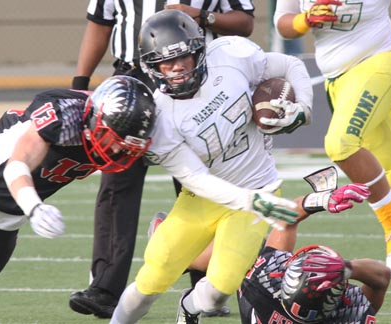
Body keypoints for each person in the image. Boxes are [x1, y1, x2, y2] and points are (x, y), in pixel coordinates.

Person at [108, 9, 315, 324]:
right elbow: (199, 179)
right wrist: (252, 200)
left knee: (221, 289)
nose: (176, 68)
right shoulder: (161, 119)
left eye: (183, 58)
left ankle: (190, 305)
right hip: (204, 198)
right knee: (149, 282)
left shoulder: (231, 56)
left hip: (256, 187)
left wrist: (303, 109)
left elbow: (291, 64)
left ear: (198, 52)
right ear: (152, 67)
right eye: (166, 62)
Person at [68, 0, 255, 318]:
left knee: (204, 178)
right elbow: (100, 24)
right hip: (132, 79)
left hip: (192, 73)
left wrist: (204, 16)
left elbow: (245, 22)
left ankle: (206, 284)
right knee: (117, 180)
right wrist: (80, 84)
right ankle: (105, 288)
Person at [272, 0, 391, 292]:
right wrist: (305, 19)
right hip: (336, 80)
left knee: (340, 145)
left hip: (377, 64)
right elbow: (283, 24)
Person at [0, 75, 156, 298]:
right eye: (112, 138)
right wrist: (34, 207)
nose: (115, 150)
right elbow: (17, 165)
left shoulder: (131, 130)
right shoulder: (65, 117)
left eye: (125, 144)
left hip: (8, 217)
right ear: (95, 120)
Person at [238, 168, 391, 324]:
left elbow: (285, 220)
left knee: (243, 241)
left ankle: (213, 298)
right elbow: (382, 277)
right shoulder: (350, 314)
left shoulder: (263, 278)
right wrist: (346, 268)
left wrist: (321, 200)